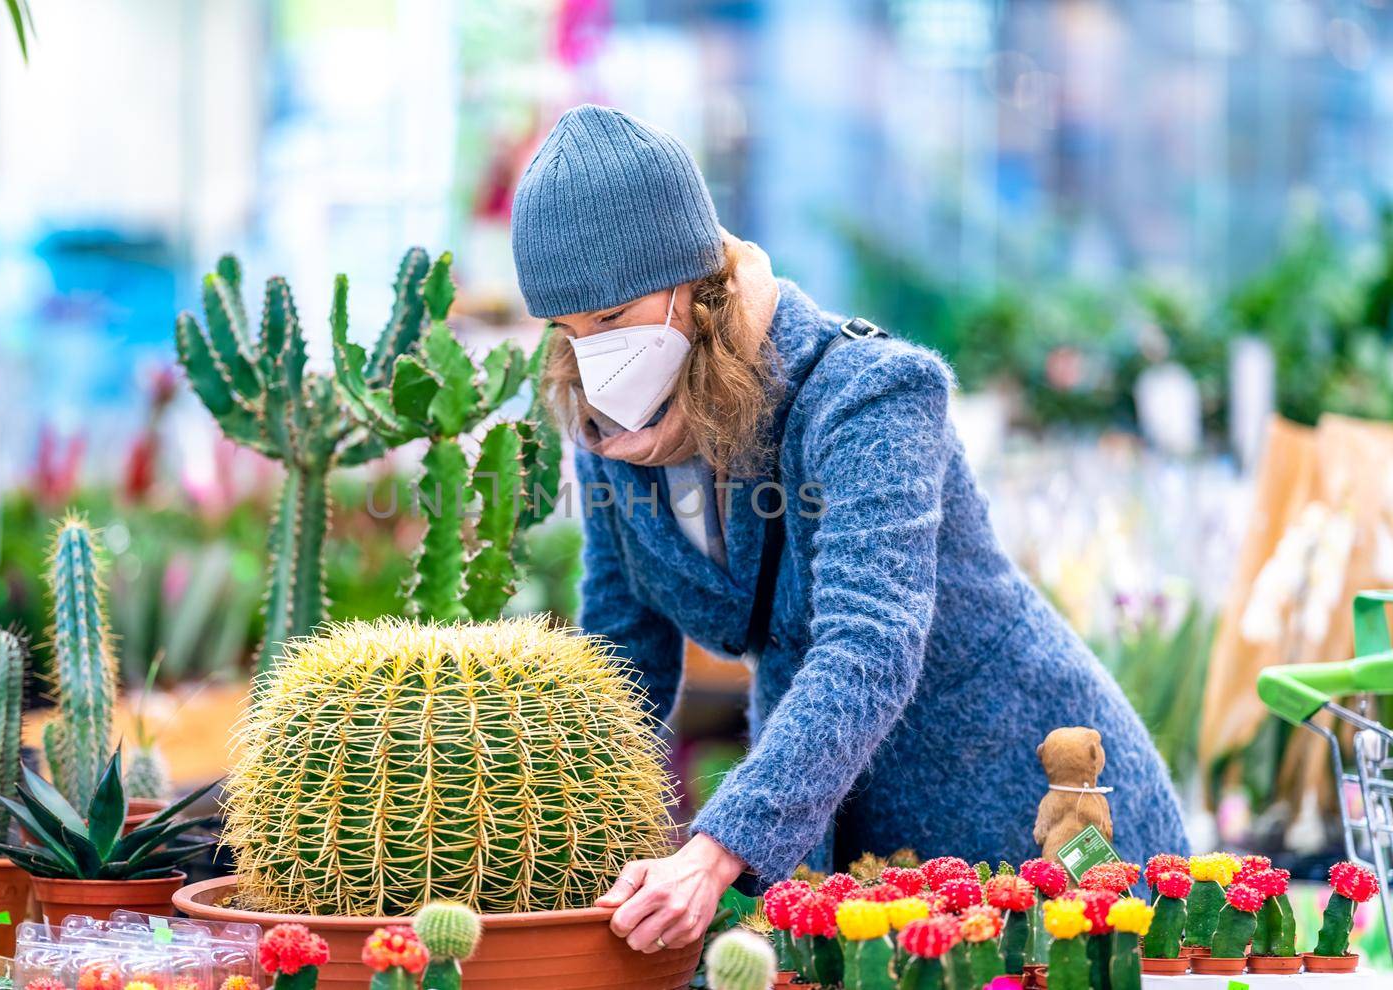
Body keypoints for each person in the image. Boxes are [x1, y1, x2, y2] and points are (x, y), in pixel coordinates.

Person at [509, 105, 1188, 955]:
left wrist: (715, 851)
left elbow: (869, 644)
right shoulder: (609, 437)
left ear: (696, 282)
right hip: (853, 861)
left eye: (611, 320)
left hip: (1034, 807)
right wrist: (577, 844)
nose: (593, 354)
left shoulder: (869, 396)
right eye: (568, 331)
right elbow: (623, 648)